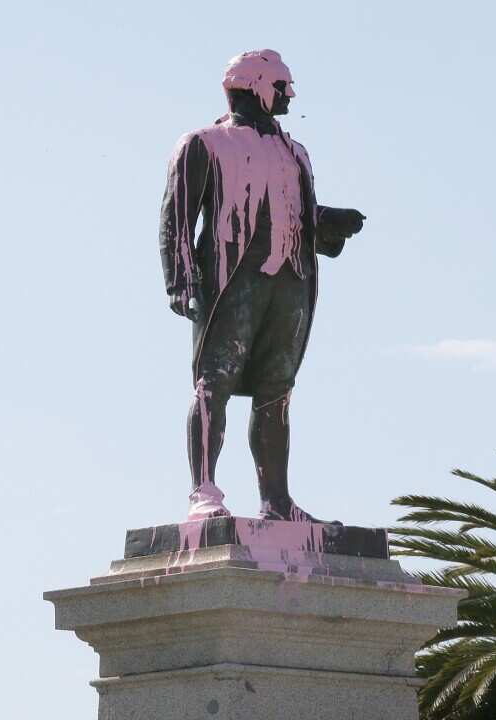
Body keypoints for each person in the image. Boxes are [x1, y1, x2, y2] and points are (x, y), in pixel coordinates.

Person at [158, 49, 366, 523]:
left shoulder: (296, 152)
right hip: (232, 280)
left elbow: (295, 213)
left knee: (277, 392)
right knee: (215, 384)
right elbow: (178, 217)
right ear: (252, 86)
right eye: (282, 86)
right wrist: (180, 279)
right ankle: (205, 491)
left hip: (291, 282)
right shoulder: (204, 143)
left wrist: (329, 221)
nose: (290, 96)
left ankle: (277, 501)